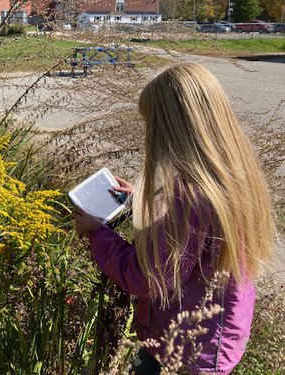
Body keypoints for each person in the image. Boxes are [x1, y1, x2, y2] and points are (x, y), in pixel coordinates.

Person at [73, 62, 275, 374]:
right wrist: (139, 201)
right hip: (216, 341)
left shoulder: (188, 197)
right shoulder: (232, 176)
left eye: (151, 124)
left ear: (168, 130)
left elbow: (146, 277)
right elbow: (197, 237)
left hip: (183, 353)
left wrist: (97, 234)